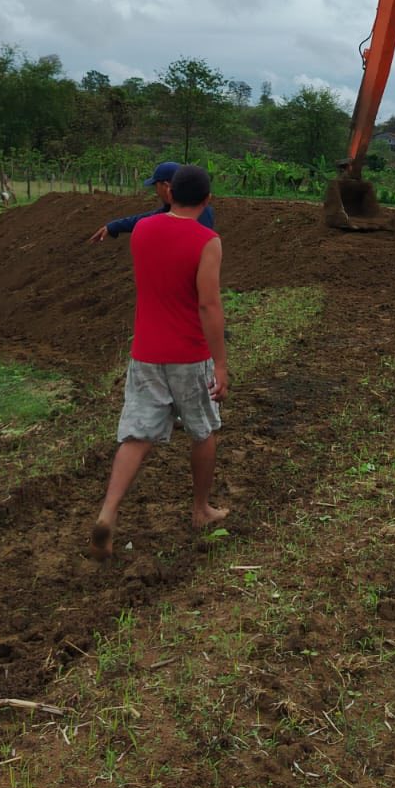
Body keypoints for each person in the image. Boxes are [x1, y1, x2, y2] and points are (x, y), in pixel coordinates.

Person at [91, 163, 228, 558]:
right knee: (203, 430)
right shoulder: (208, 241)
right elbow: (208, 304)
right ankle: (201, 509)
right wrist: (220, 365)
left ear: (170, 193)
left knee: (136, 435)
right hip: (188, 354)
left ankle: (107, 513)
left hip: (146, 353)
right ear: (207, 200)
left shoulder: (144, 231)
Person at [88, 160, 214, 243]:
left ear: (166, 187)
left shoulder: (191, 216)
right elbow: (147, 218)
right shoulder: (194, 209)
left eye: (156, 186)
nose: (156, 191)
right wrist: (113, 226)